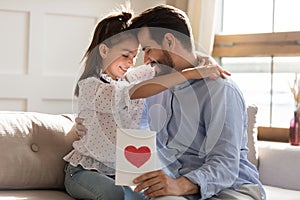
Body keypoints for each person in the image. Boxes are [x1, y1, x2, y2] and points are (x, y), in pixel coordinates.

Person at [63, 9, 228, 200]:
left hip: (119, 174)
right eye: (125, 55)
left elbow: (163, 67)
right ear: (104, 50)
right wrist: (191, 74)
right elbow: (136, 91)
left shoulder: (126, 78)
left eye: (134, 56)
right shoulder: (92, 87)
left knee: (149, 194)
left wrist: (200, 60)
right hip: (85, 171)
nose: (131, 63)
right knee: (113, 194)